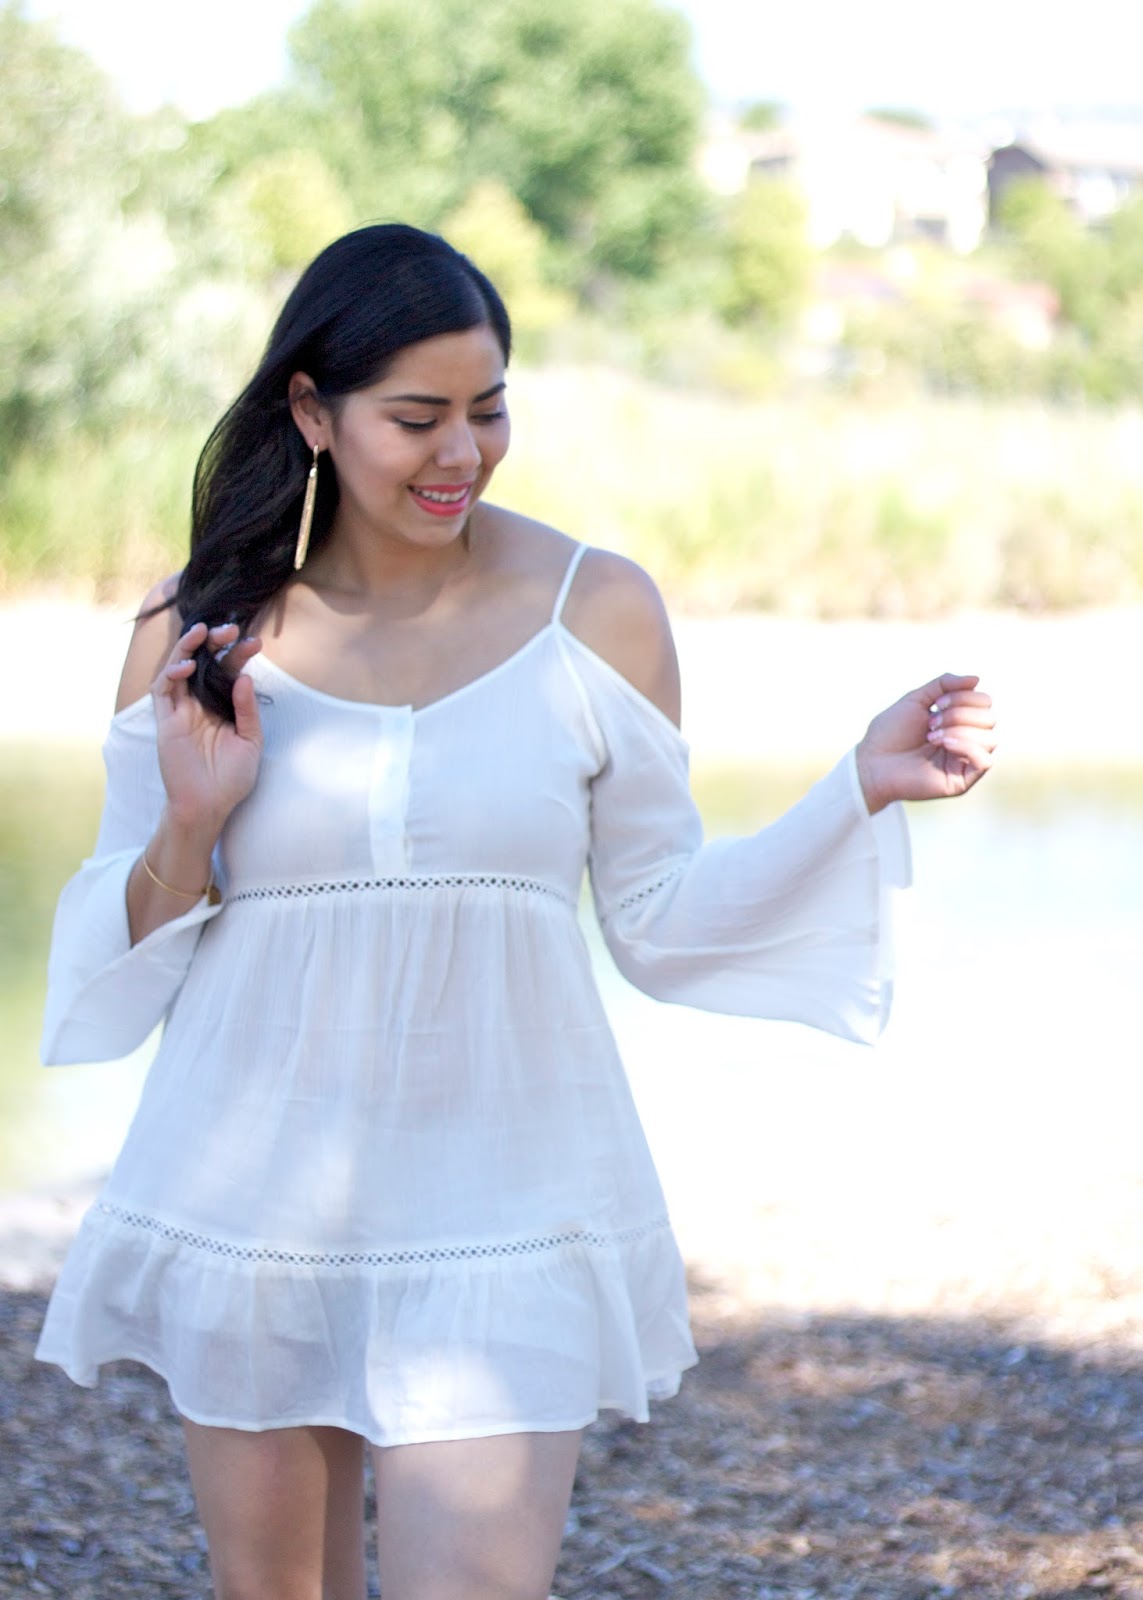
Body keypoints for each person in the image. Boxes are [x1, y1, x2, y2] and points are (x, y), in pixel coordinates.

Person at [36, 223, 995, 1600]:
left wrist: (857, 788)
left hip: (506, 1211)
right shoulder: (203, 627)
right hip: (250, 1209)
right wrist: (191, 823)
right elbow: (115, 973)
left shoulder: (596, 610)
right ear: (311, 411)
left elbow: (659, 920)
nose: (462, 453)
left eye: (488, 409)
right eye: (415, 417)